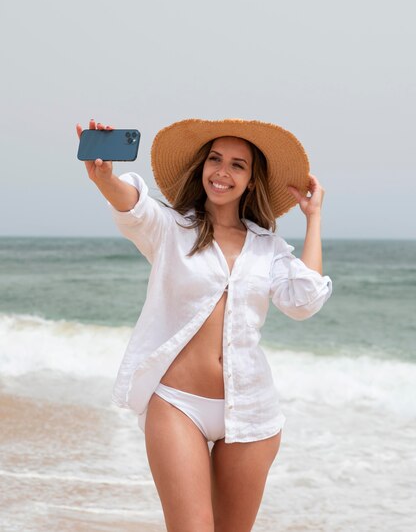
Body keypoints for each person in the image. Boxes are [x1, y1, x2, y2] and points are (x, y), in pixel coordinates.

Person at [76, 117, 332, 532]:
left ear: (251, 180)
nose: (222, 172)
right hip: (178, 404)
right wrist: (104, 176)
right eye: (215, 159)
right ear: (201, 168)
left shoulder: (268, 247)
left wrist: (314, 217)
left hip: (251, 412)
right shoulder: (172, 228)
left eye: (237, 165)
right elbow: (133, 205)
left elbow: (303, 301)